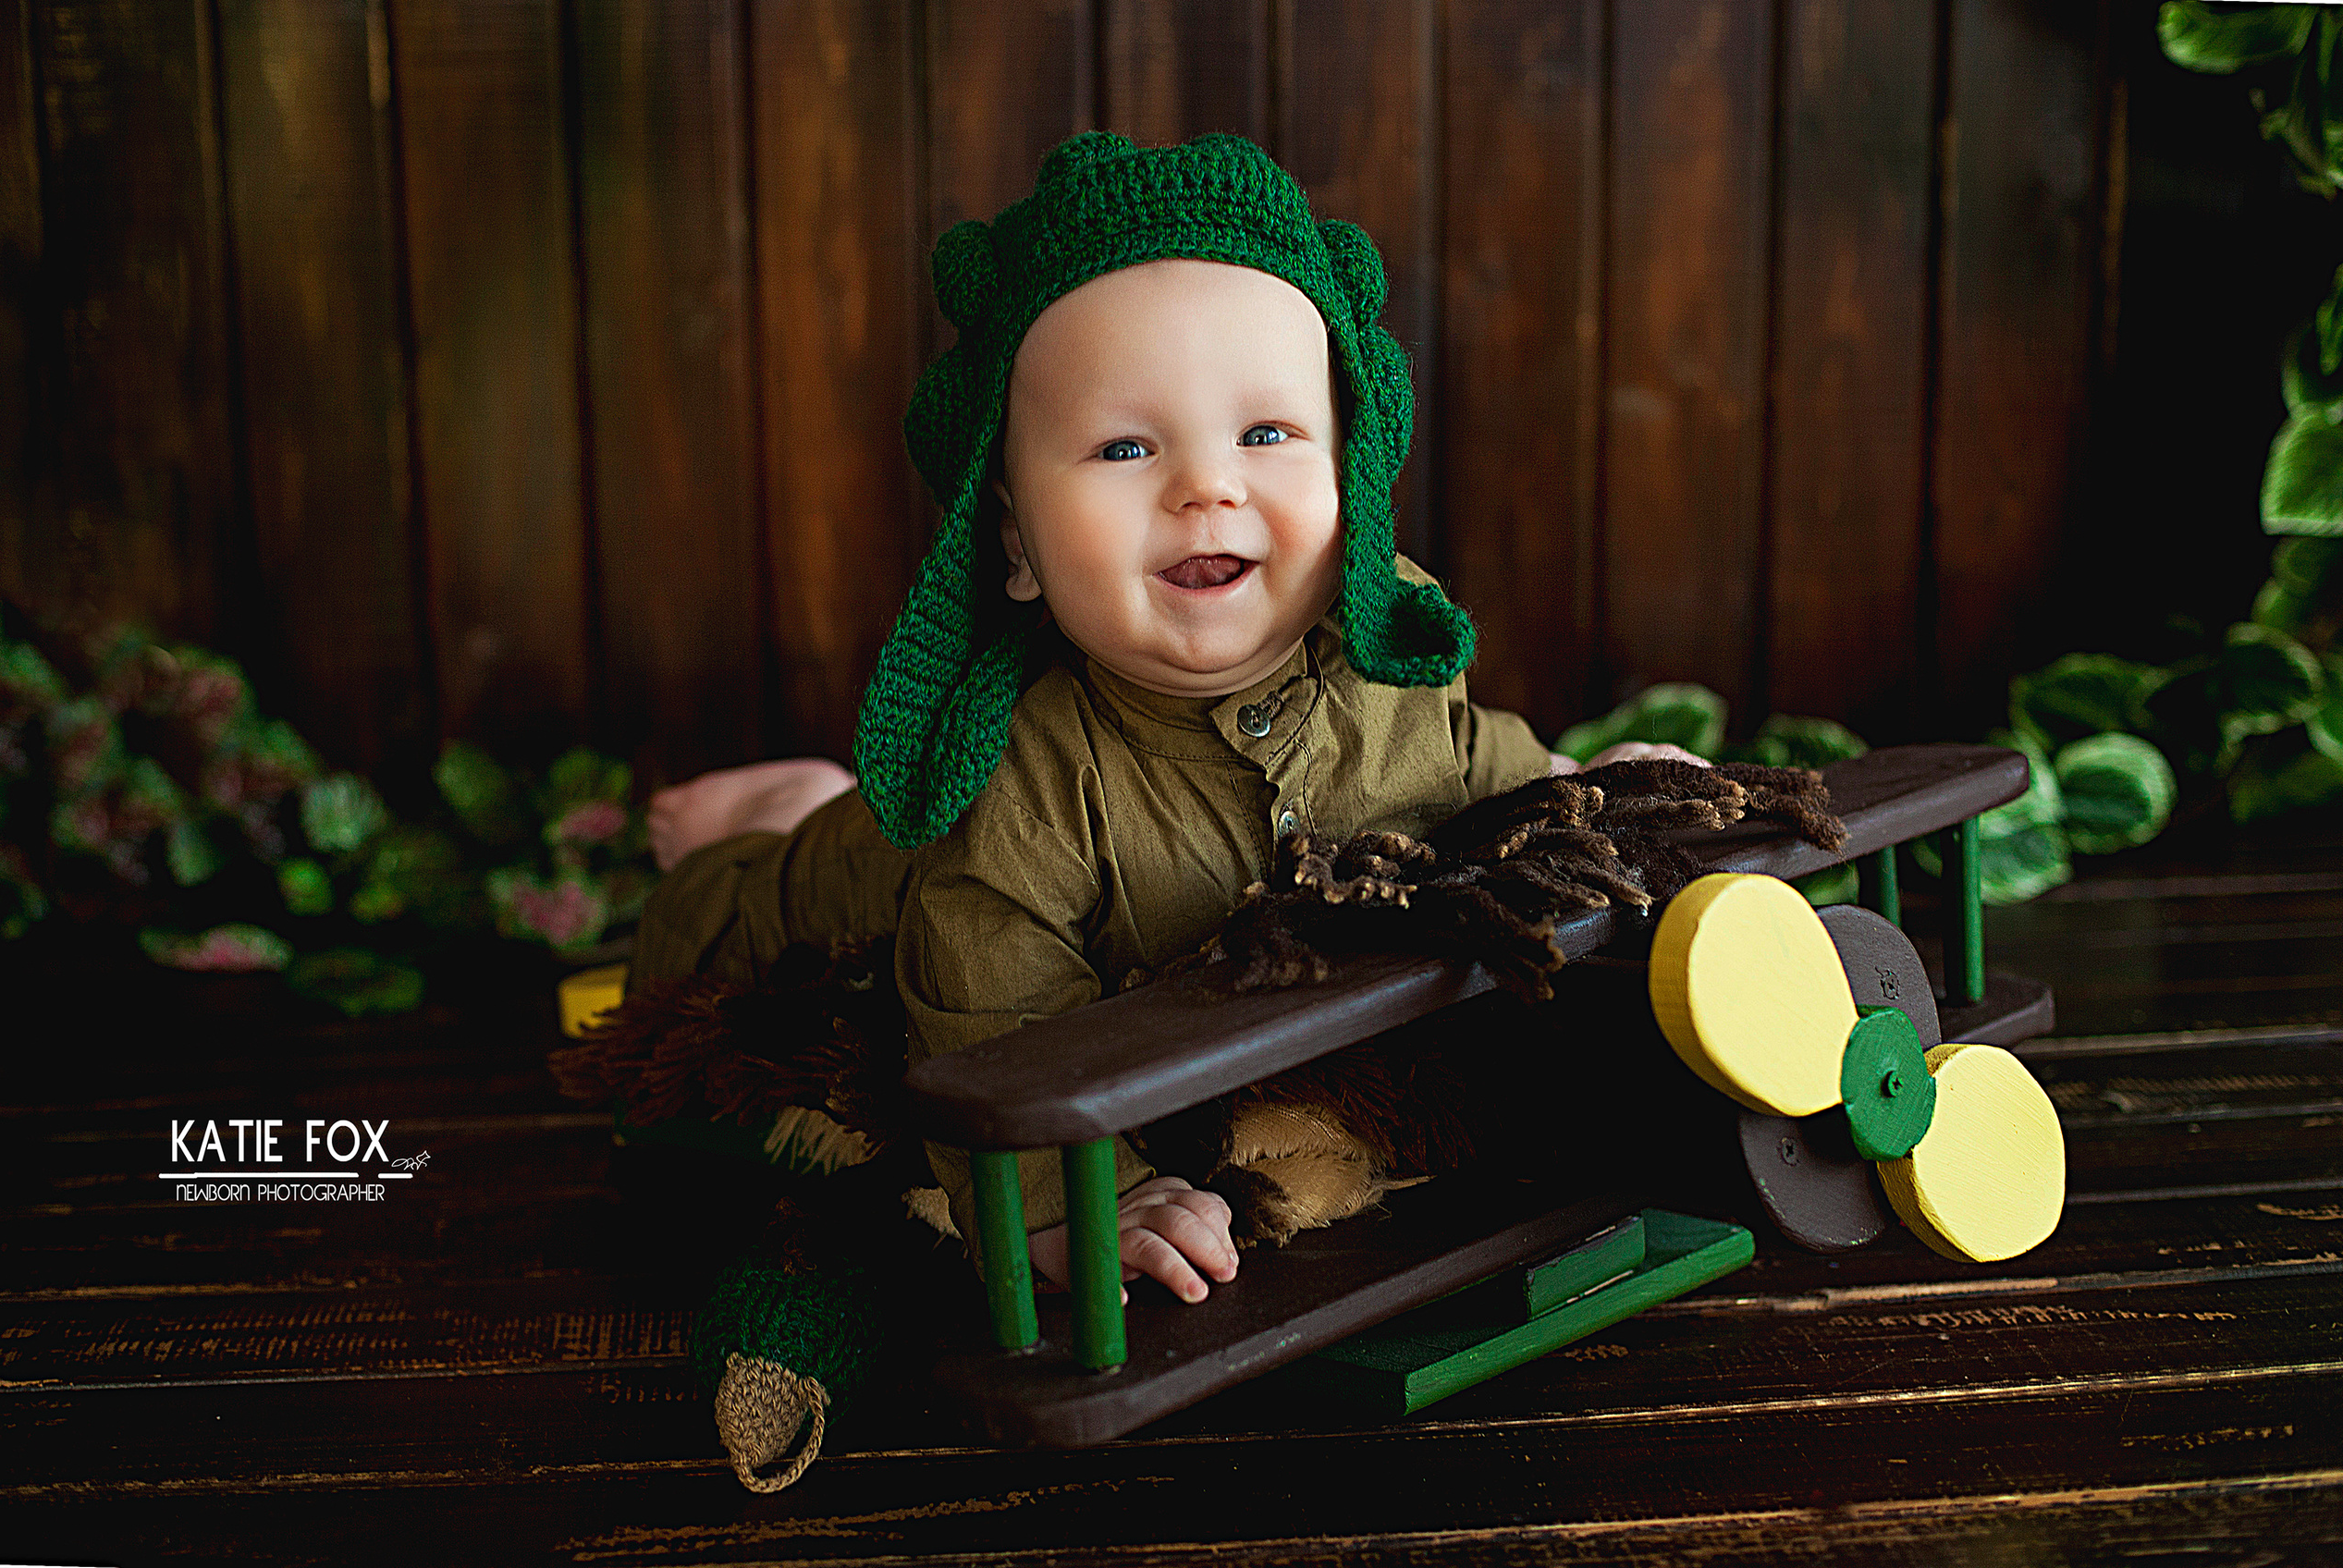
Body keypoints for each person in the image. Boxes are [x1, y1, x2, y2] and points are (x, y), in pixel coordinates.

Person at [633, 132, 1699, 1309]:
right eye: (1126, 446)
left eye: (1266, 433)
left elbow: (1468, 771)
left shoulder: (1394, 643)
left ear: (1351, 462)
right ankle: (770, 816)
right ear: (1013, 543)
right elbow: (984, 1016)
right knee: (762, 902)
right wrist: (1080, 1198)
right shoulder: (1021, 782)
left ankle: (799, 787)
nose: (1206, 485)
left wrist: (1589, 783)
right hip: (883, 875)